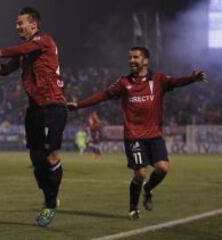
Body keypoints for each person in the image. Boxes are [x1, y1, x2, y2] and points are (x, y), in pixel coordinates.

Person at [67, 46, 207, 220]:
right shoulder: (124, 82)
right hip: (134, 135)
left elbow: (176, 82)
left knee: (162, 169)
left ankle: (147, 190)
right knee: (140, 173)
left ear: (146, 60)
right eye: (130, 57)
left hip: (154, 135)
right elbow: (103, 95)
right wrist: (79, 104)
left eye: (136, 57)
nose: (131, 60)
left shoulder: (158, 79)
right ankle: (133, 208)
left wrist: (192, 78)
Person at [0, 7, 67, 227]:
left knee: (50, 155)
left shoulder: (43, 40)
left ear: (34, 24)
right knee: (35, 157)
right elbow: (5, 70)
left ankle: (50, 204)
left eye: (21, 23)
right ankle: (49, 195)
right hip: (34, 107)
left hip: (53, 105)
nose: (17, 27)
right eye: (16, 23)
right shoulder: (24, 52)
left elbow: (21, 48)